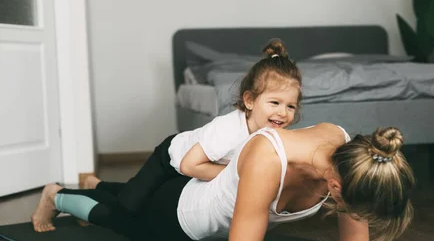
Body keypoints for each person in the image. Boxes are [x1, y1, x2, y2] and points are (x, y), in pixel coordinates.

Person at [31, 124, 415, 241]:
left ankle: (97, 182)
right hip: (176, 219)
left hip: (203, 192)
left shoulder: (355, 161)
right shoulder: (271, 160)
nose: (353, 215)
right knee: (113, 218)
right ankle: (58, 195)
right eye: (354, 207)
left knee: (127, 197)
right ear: (337, 187)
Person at [88, 38, 302, 214]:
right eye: (275, 103)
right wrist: (236, 173)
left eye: (291, 106)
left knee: (146, 198)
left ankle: (98, 185)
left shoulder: (272, 135)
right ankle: (76, 193)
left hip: (193, 168)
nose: (283, 113)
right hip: (171, 159)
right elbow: (189, 166)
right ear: (250, 100)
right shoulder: (228, 130)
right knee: (128, 206)